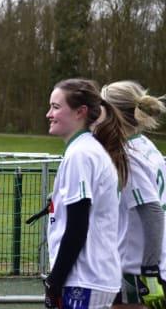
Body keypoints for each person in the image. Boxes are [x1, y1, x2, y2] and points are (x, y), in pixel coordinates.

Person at [44, 78, 129, 309]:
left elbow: (77, 226)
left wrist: (55, 281)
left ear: (80, 112)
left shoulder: (81, 154)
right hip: (92, 277)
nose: (48, 114)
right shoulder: (86, 150)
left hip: (85, 277)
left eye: (56, 107)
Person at [101, 81, 166, 308]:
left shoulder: (127, 156)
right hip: (150, 263)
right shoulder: (146, 145)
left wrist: (149, 270)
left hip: (134, 268)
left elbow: (153, 211)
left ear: (112, 113)